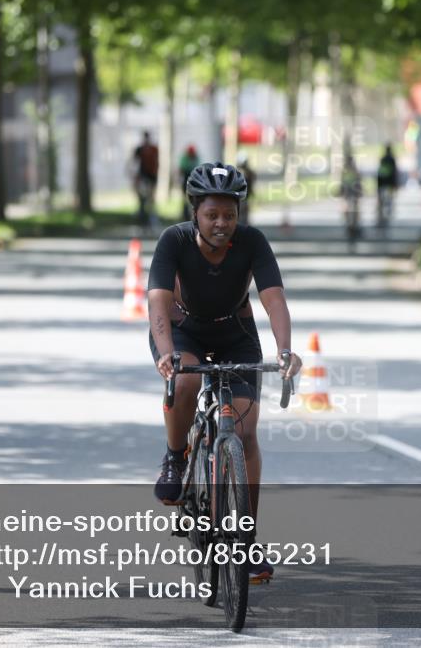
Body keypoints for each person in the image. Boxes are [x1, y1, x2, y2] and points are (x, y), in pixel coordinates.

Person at [147, 162, 302, 582]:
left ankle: (246, 542)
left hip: (235, 332)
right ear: (195, 210)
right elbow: (158, 301)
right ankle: (176, 457)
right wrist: (166, 353)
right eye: (212, 214)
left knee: (246, 434)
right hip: (183, 331)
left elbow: (273, 300)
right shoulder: (173, 240)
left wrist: (285, 349)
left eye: (229, 215)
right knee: (187, 379)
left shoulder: (252, 242)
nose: (221, 223)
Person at [132, 131, 160, 228]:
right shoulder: (142, 149)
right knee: (145, 199)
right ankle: (144, 218)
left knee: (148, 199)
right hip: (145, 177)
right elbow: (135, 163)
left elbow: (156, 163)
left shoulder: (151, 149)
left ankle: (148, 218)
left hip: (148, 177)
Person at [339, 153, 362, 240]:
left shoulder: (350, 171)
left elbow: (358, 182)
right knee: (349, 210)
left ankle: (353, 226)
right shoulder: (349, 171)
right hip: (349, 194)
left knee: (352, 210)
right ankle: (351, 225)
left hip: (351, 194)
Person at [376, 144, 399, 228]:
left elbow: (380, 173)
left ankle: (381, 217)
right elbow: (395, 173)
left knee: (382, 201)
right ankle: (387, 215)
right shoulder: (392, 159)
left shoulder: (382, 159)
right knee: (389, 200)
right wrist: (396, 184)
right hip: (389, 184)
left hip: (382, 184)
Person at [177, 144, 200, 221]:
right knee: (185, 200)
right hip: (185, 182)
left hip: (194, 182)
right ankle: (185, 215)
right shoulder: (185, 158)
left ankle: (192, 215)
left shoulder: (196, 158)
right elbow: (181, 169)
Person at [237, 151, 255, 226]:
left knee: (243, 218)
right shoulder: (240, 173)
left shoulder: (248, 173)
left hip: (243, 199)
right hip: (240, 199)